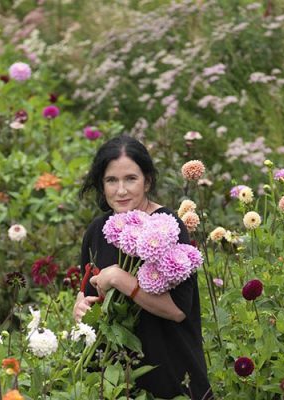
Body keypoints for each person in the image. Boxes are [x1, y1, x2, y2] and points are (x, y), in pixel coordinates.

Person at [73, 135, 213, 400]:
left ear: (147, 180)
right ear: (102, 185)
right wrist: (79, 309)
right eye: (111, 180)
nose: (121, 190)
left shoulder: (165, 226)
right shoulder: (97, 231)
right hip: (113, 379)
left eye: (131, 179)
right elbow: (86, 292)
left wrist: (119, 278)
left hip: (169, 376)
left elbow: (178, 311)